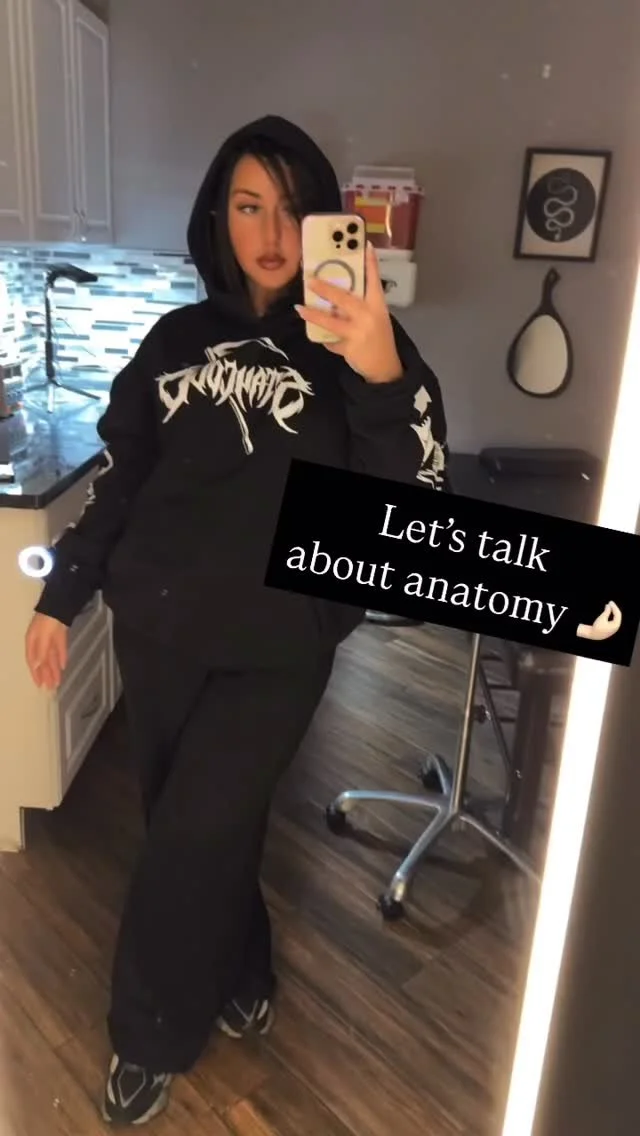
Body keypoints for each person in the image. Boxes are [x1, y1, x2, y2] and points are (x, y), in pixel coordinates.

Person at [24, 115, 449, 1127]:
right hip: (160, 629)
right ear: (218, 215)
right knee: (200, 820)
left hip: (281, 644)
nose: (272, 232)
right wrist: (62, 592)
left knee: (189, 833)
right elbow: (123, 478)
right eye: (250, 205)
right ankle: (243, 961)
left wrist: (381, 368)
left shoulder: (362, 342)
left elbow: (417, 500)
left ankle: (147, 1035)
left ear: (328, 220)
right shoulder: (173, 340)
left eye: (295, 209)